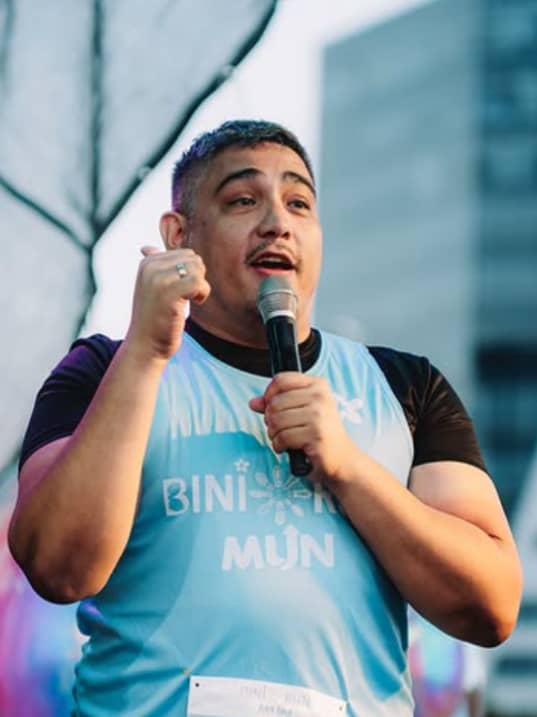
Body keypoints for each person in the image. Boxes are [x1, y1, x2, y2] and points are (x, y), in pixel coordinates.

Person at [8, 120, 522, 717]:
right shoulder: (104, 371)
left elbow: (490, 607)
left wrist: (350, 469)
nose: (278, 222)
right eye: (243, 200)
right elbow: (58, 568)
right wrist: (145, 353)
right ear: (179, 235)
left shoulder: (404, 385)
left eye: (299, 203)